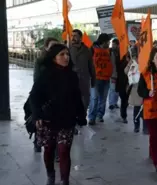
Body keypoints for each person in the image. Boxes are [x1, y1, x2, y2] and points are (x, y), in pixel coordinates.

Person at [29, 44, 87, 185]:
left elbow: (77, 96)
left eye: (67, 54)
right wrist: (37, 115)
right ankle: (50, 175)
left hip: (67, 120)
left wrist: (81, 115)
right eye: (62, 54)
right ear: (54, 58)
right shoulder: (45, 74)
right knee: (48, 151)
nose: (66, 57)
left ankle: (65, 181)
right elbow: (34, 97)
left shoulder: (72, 76)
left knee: (63, 151)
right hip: (48, 120)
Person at [33, 37, 58, 153]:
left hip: (56, 96)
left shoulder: (59, 60)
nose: (53, 49)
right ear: (46, 47)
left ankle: (56, 148)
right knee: (41, 121)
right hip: (43, 95)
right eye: (51, 46)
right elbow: (36, 79)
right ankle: (37, 141)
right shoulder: (39, 61)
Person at [88, 33, 116, 125]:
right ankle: (92, 117)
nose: (109, 43)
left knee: (103, 99)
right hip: (95, 78)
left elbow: (112, 63)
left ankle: (100, 115)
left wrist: (113, 75)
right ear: (103, 42)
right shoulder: (92, 49)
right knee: (94, 98)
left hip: (106, 79)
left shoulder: (110, 51)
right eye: (108, 42)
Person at [70, 29, 96, 111]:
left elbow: (91, 66)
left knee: (85, 100)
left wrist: (93, 80)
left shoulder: (87, 50)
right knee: (71, 100)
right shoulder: (67, 49)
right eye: (72, 36)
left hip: (84, 79)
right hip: (71, 79)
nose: (73, 38)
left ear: (80, 38)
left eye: (75, 36)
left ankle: (82, 116)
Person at [124, 48, 148, 134]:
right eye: (135, 56)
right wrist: (130, 65)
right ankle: (136, 126)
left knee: (146, 110)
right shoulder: (132, 63)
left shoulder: (146, 62)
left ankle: (145, 128)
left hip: (145, 89)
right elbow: (126, 71)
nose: (136, 58)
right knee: (137, 109)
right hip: (136, 89)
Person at [115, 48, 131, 124]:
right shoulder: (120, 58)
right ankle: (124, 116)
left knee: (126, 101)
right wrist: (126, 62)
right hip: (122, 83)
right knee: (124, 100)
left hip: (130, 83)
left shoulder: (132, 58)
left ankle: (123, 115)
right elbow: (119, 68)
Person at [108, 39, 120, 110]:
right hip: (112, 73)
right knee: (112, 89)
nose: (113, 45)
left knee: (117, 89)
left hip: (119, 73)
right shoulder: (109, 51)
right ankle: (111, 103)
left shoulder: (119, 52)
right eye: (112, 44)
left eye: (114, 44)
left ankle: (115, 102)